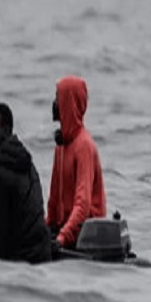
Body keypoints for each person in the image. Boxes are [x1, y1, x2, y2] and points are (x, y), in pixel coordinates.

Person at [0, 103, 51, 264]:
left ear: (6, 130)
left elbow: (0, 230)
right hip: (42, 251)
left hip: (22, 256)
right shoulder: (26, 161)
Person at [46, 76, 106, 251]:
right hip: (66, 230)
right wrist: (45, 228)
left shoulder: (84, 146)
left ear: (68, 102)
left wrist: (62, 238)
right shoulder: (61, 146)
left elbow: (83, 204)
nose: (54, 104)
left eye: (58, 98)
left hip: (87, 234)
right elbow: (53, 201)